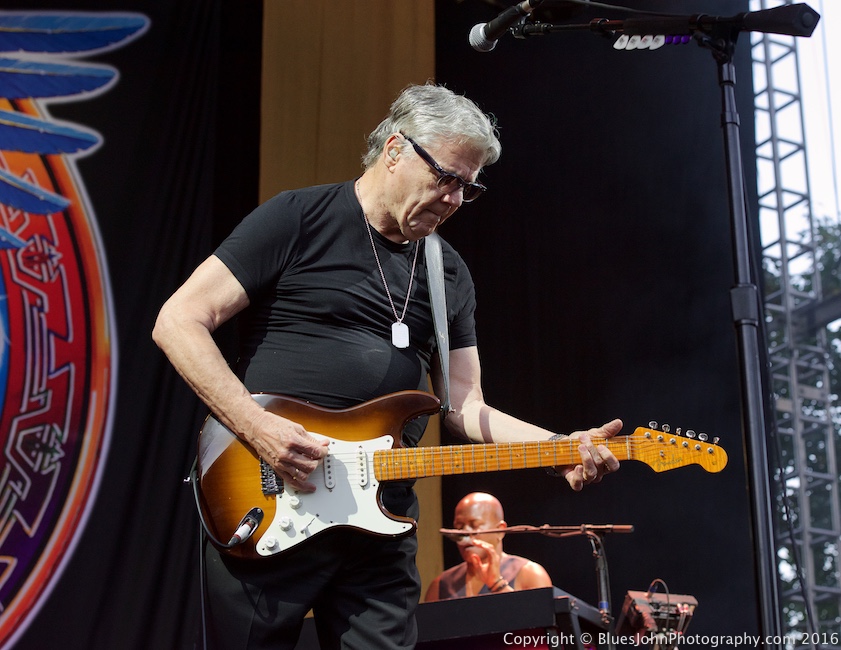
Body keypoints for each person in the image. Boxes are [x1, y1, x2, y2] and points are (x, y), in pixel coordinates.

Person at [152, 82, 622, 650]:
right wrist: (258, 427)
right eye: (446, 178)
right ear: (395, 149)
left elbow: (465, 406)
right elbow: (178, 321)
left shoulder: (448, 274)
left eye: (467, 190)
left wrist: (559, 446)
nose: (453, 200)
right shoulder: (298, 218)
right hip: (268, 495)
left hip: (380, 518)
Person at [425, 492, 553, 602]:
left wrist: (497, 584)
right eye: (459, 526)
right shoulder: (441, 585)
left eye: (474, 525)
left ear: (500, 531)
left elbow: (540, 625)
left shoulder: (530, 575)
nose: (465, 532)